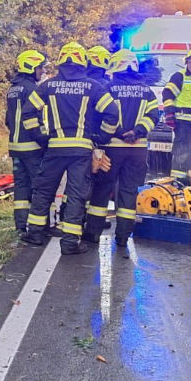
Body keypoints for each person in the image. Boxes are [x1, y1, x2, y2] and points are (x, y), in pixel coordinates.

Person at [20, 41, 119, 255]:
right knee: (76, 194)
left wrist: (41, 137)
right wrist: (101, 136)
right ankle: (70, 243)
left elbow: (28, 112)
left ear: (61, 61)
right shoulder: (93, 86)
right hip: (81, 150)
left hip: (54, 148)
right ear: (83, 62)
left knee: (43, 190)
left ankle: (35, 233)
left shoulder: (48, 86)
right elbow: (112, 111)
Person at [84, 49, 160, 257]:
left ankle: (92, 234)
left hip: (112, 149)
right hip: (137, 151)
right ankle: (123, 237)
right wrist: (137, 132)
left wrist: (112, 134)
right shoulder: (147, 91)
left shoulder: (108, 88)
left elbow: (103, 115)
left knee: (102, 190)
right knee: (128, 192)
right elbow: (154, 115)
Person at [6, 49, 47, 232]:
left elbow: (8, 119)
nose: (42, 72)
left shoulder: (12, 89)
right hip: (31, 146)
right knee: (40, 185)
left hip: (15, 147)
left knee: (21, 187)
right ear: (30, 67)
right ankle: (41, 224)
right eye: (39, 68)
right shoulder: (32, 89)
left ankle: (21, 226)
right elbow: (36, 118)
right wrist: (44, 139)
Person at [161, 47, 191, 184]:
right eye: (189, 62)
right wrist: (169, 114)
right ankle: (177, 184)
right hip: (183, 124)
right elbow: (168, 94)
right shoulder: (179, 76)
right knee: (181, 154)